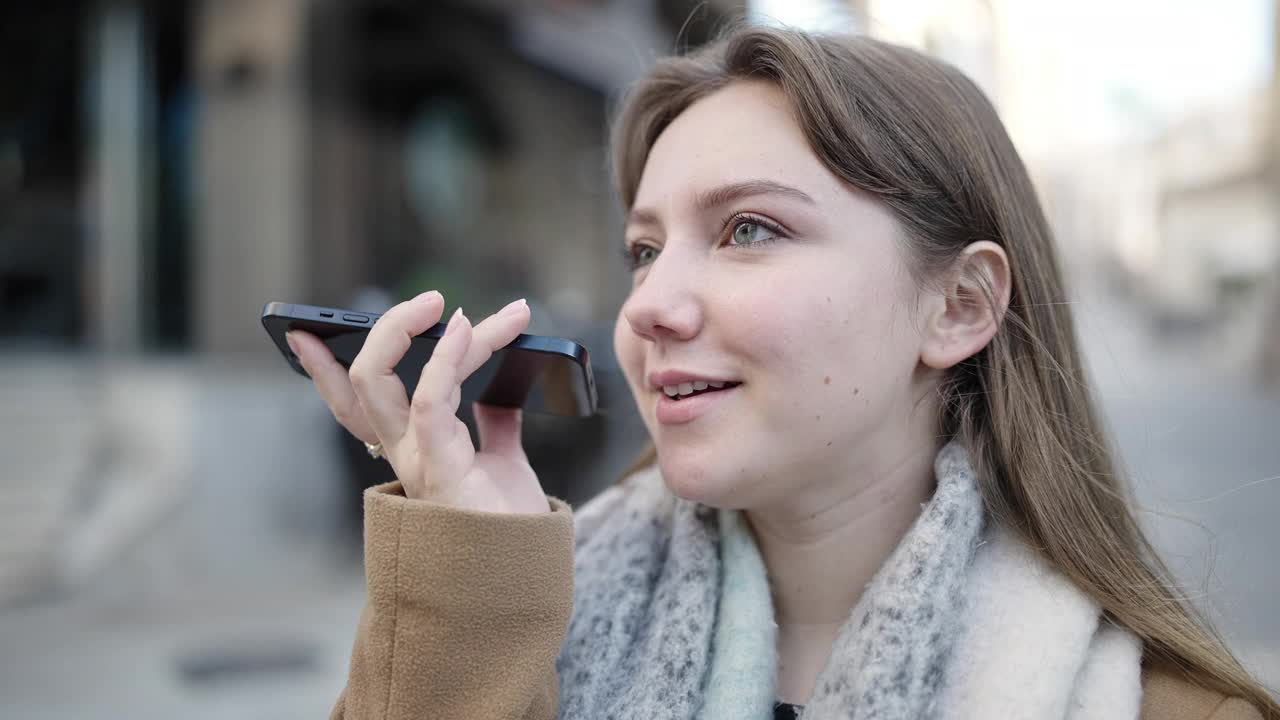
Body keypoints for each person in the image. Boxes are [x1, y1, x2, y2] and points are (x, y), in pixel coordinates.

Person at [285, 26, 1278, 720]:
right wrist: (468, 589)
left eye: (746, 229)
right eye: (643, 249)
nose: (645, 309)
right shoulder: (506, 624)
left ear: (959, 306)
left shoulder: (1172, 712)